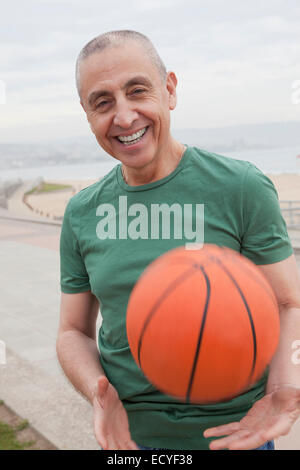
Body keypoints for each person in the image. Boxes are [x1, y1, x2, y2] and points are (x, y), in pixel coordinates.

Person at [56, 30, 300, 451]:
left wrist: (282, 384)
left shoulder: (240, 187)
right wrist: (98, 393)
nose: (126, 117)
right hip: (129, 441)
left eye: (138, 91)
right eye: (103, 102)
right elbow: (73, 331)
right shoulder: (82, 212)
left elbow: (288, 303)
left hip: (238, 435)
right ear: (86, 113)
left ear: (169, 90)